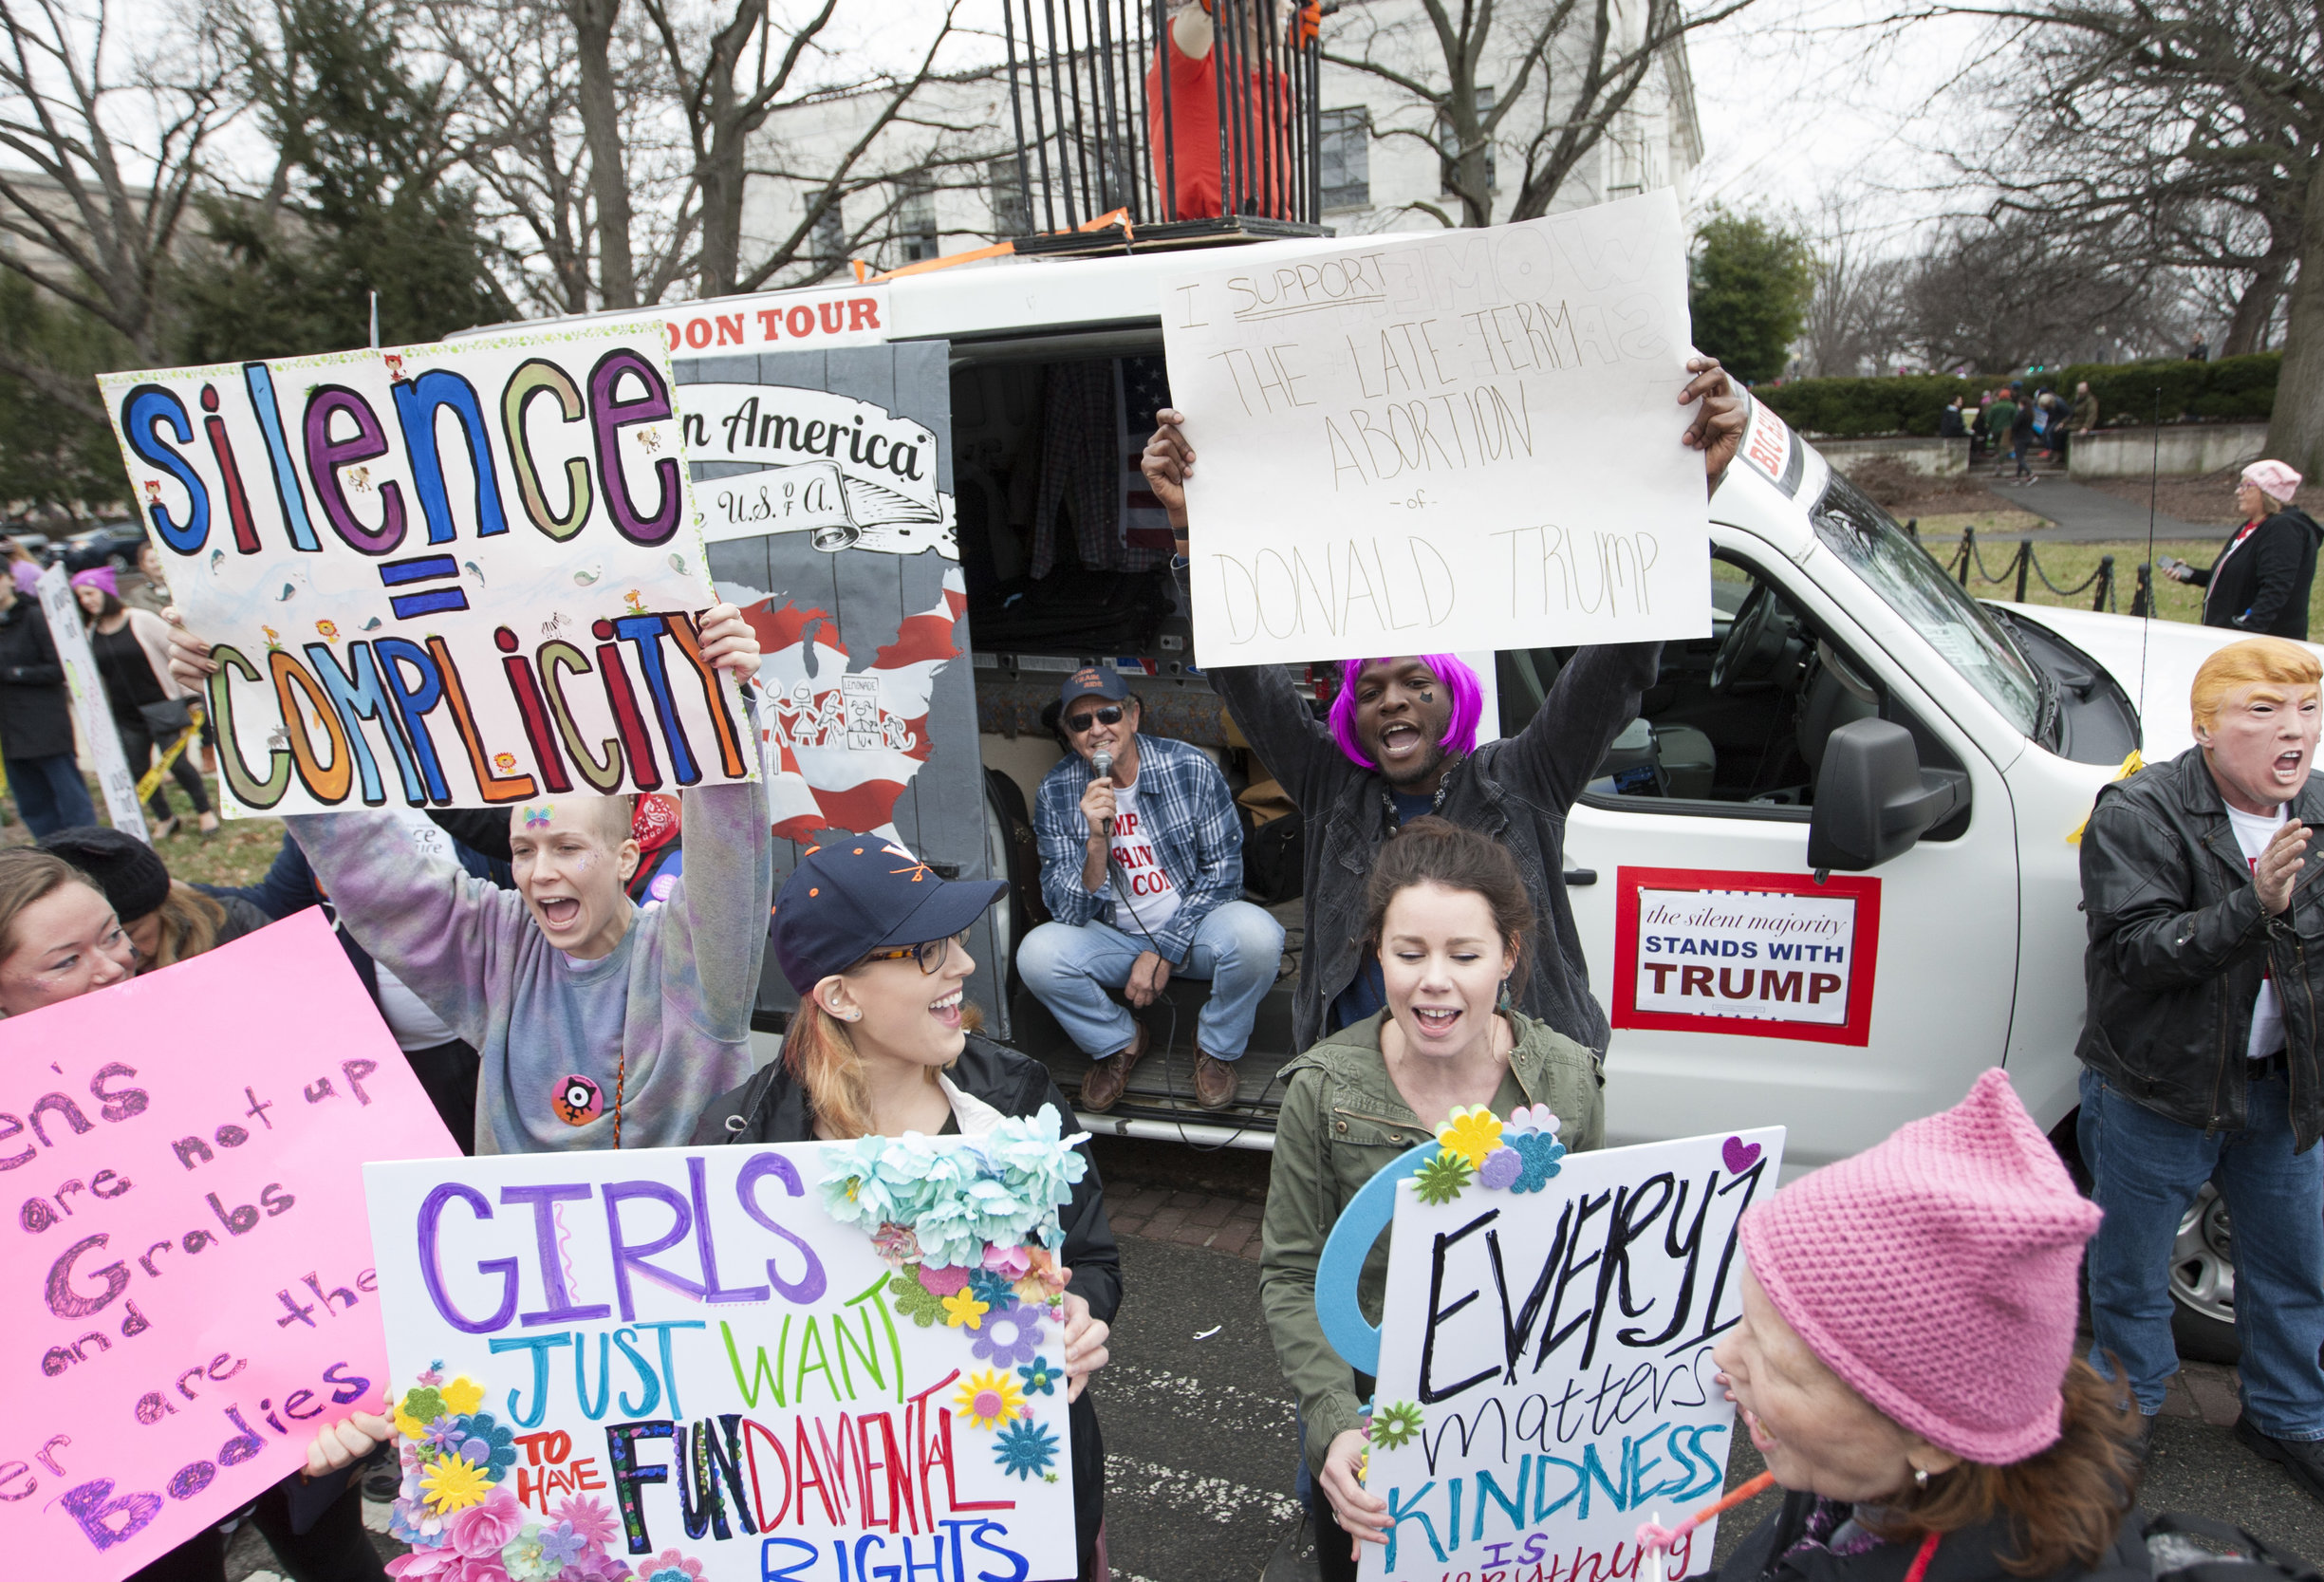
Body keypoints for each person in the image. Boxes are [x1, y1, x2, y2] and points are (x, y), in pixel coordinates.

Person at [1140, 357, 1744, 1053]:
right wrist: (1189, 526)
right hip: (1368, 1095)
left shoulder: (1523, 780)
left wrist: (1687, 493)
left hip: (1514, 1096)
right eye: (1368, 691)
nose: (1391, 700)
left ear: (1453, 699)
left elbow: (1620, 661)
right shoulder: (1331, 787)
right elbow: (1240, 674)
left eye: (1416, 685)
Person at [168, 604, 773, 1154]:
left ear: (624, 858)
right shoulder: (500, 951)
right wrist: (247, 703)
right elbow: (373, 871)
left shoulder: (694, 959)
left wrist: (722, 699)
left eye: (567, 847)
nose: (540, 874)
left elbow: (730, 847)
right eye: (522, 850)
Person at [693, 836, 1120, 1575]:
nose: (962, 964)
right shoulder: (742, 1145)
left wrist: (1079, 1309)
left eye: (952, 938)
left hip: (1013, 1502)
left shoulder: (1017, 1098)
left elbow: (1091, 1257)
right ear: (840, 995)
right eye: (925, 949)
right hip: (840, 1525)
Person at [0, 847, 397, 1581]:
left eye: (114, 933)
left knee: (335, 1553)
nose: (113, 965)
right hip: (118, 1453)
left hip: (287, 1382)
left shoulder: (205, 1030)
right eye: (66, 961)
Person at [1259, 819, 1605, 1582]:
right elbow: (1290, 1273)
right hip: (1374, 1427)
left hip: (1521, 1430)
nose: (1434, 979)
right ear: (1375, 951)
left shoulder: (1569, 1081)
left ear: (1510, 955)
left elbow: (1594, 1266)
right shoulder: (1322, 1090)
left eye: (1466, 954)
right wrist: (1333, 1423)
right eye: (1409, 953)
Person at [2076, 637, 2324, 1518]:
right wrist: (2256, 906)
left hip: (2284, 1090)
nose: (2295, 732)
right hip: (2158, 1090)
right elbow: (2135, 953)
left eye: (2307, 710)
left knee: (2289, 1268)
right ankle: (2120, 1419)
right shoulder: (2139, 811)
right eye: (2265, 711)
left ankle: (2289, 1419)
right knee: (2128, 1275)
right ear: (2206, 727)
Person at [1713, 1068, 2150, 1581]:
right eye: (1747, 1322)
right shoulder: (1870, 1483)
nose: (1723, 1354)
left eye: (1778, 1365)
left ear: (1934, 1439)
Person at [1019, 663, 1284, 1111]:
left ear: (1133, 716)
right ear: (1069, 733)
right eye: (1081, 723)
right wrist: (1097, 841)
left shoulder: (1189, 766)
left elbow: (1225, 873)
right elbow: (1065, 909)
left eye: (1108, 715)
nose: (1097, 730)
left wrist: (1163, 946)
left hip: (1194, 931)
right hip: (1115, 939)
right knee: (1037, 954)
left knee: (1259, 936)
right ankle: (1120, 1042)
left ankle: (1215, 1048)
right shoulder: (1058, 790)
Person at [197, 817, 510, 1152]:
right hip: (393, 1062)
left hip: (492, 1045)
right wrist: (180, 894)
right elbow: (274, 902)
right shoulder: (326, 821)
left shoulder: (466, 805)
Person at [74, 566, 217, 838]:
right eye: (80, 597)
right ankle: (165, 817)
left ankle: (204, 812)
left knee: (178, 764)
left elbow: (176, 654)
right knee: (137, 768)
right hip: (125, 714)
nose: (86, 601)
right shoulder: (90, 632)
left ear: (106, 591)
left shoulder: (140, 619)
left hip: (161, 704)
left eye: (90, 593)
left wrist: (190, 697)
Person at [1143, 0, 1310, 220]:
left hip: (1271, 227)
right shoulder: (1189, 61)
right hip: (1211, 231)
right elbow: (1194, 24)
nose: (1290, 7)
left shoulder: (1265, 76)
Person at [39, 824, 268, 971]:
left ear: (164, 908)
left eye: (121, 934)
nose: (111, 966)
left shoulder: (234, 925)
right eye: (70, 959)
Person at [2161, 459, 2323, 639]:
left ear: (2267, 492)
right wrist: (2190, 574)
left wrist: (2246, 635)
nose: (2238, 491)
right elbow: (2237, 578)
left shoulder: (2284, 528)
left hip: (2261, 647)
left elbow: (2276, 588)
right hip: (2232, 638)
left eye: (2246, 486)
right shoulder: (2253, 526)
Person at [0, 563, 95, 835]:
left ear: (10, 579)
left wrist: (13, 673)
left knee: (70, 798)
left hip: (45, 726)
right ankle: (50, 857)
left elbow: (59, 668)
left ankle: (88, 848)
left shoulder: (35, 616)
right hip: (9, 733)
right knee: (32, 804)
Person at [120, 538, 173, 615]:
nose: (157, 564)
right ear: (142, 565)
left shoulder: (181, 586)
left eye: (159, 559)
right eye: (151, 561)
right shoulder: (138, 594)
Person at [1985, 386, 2017, 469]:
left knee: (1996, 444)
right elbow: (2014, 419)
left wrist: (1990, 426)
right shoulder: (2012, 406)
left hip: (1995, 429)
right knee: (2003, 446)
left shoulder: (1995, 407)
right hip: (2006, 429)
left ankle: (1996, 456)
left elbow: (1989, 419)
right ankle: (2000, 464)